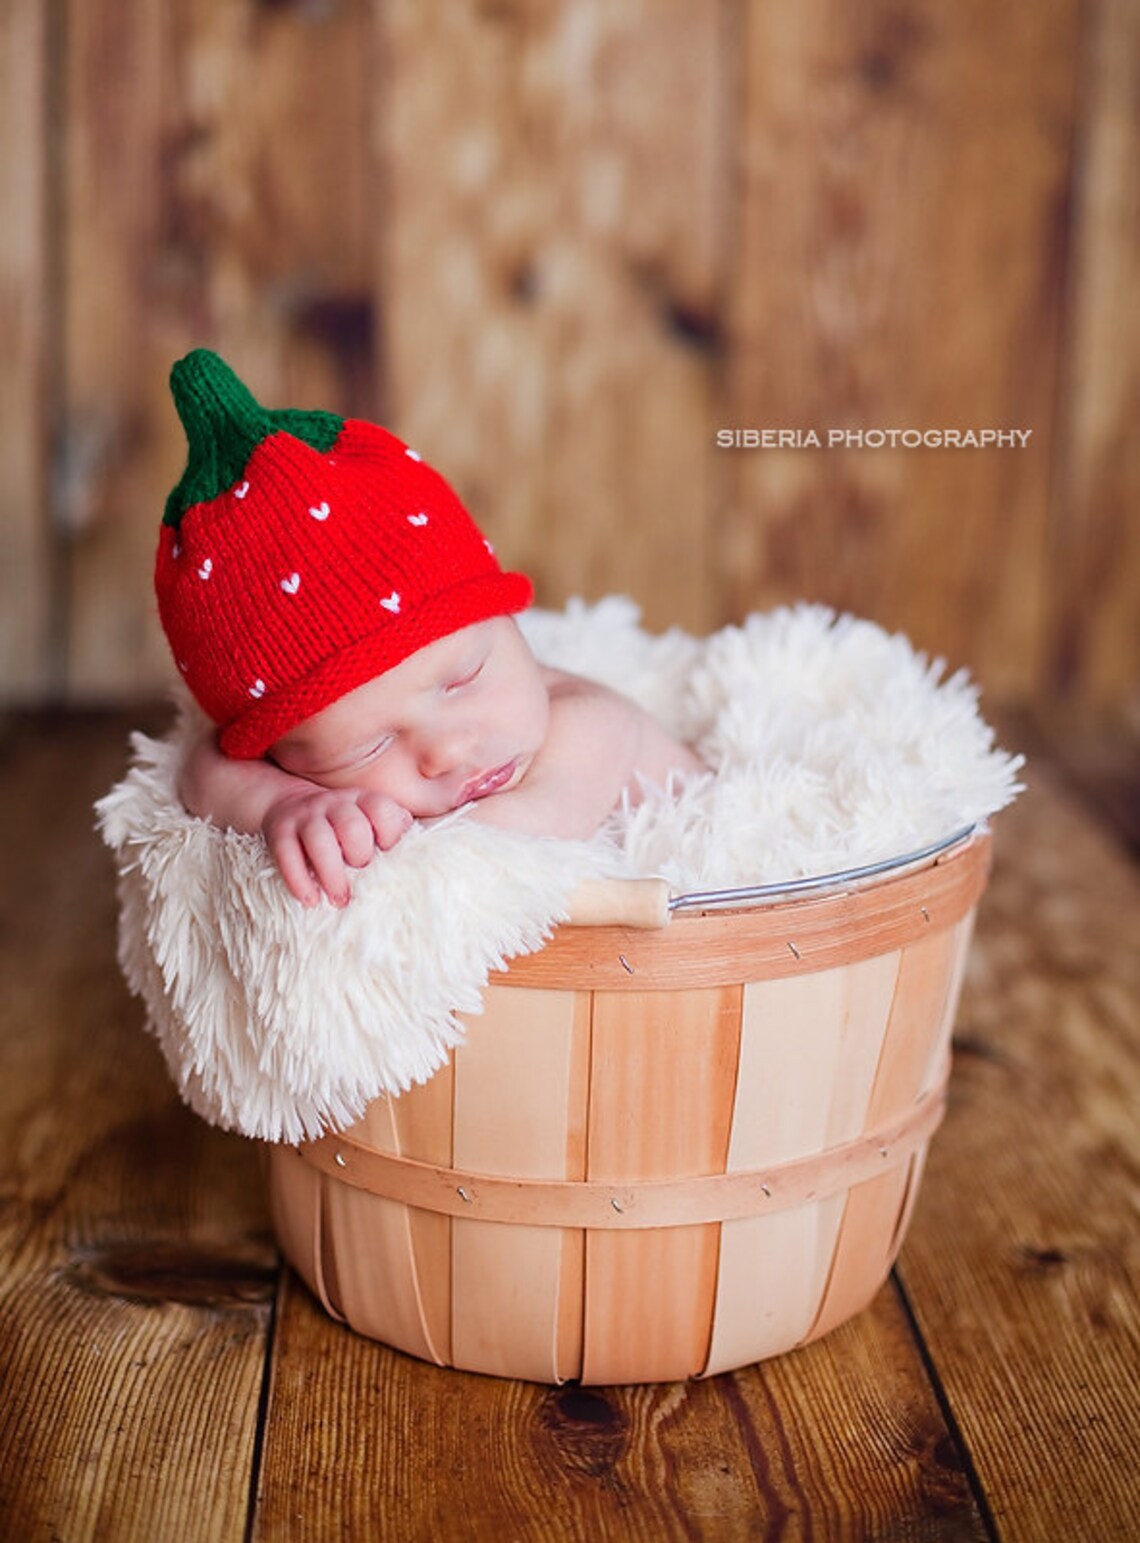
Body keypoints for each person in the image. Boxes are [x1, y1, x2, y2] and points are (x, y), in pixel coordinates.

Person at [158, 350, 706, 907]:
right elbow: (207, 767)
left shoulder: (592, 728)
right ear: (281, 755)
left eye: (463, 678)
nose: (446, 749)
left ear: (505, 619)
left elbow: (477, 858)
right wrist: (281, 807)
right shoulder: (289, 759)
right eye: (367, 747)